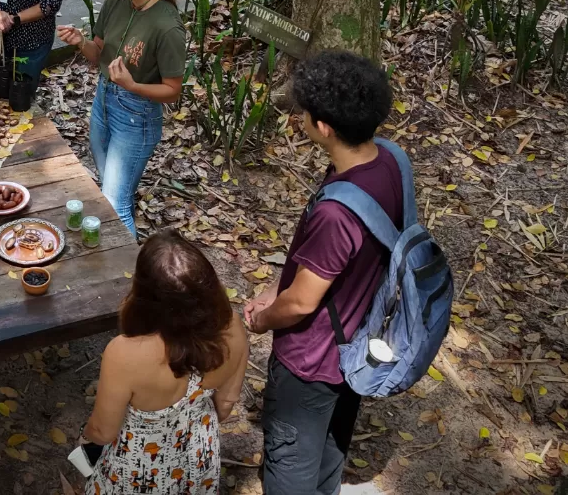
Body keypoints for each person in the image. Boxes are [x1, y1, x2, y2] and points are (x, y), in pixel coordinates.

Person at [243, 50, 400, 495]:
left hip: (313, 359)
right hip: (357, 345)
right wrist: (276, 286)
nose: (301, 120)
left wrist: (262, 318)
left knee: (290, 458)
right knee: (332, 441)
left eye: (305, 114)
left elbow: (302, 303)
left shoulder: (336, 214)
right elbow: (321, 264)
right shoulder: (387, 161)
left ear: (325, 127)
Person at [79, 229, 247, 494]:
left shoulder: (124, 353)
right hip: (198, 451)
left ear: (143, 294)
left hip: (138, 466)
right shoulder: (233, 326)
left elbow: (103, 431)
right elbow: (225, 405)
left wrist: (84, 436)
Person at [57, 0, 185, 234]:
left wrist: (132, 85)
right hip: (104, 101)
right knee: (108, 189)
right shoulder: (117, 1)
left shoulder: (167, 27)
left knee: (115, 203)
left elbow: (173, 90)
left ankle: (128, 274)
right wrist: (81, 43)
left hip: (136, 116)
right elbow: (98, 54)